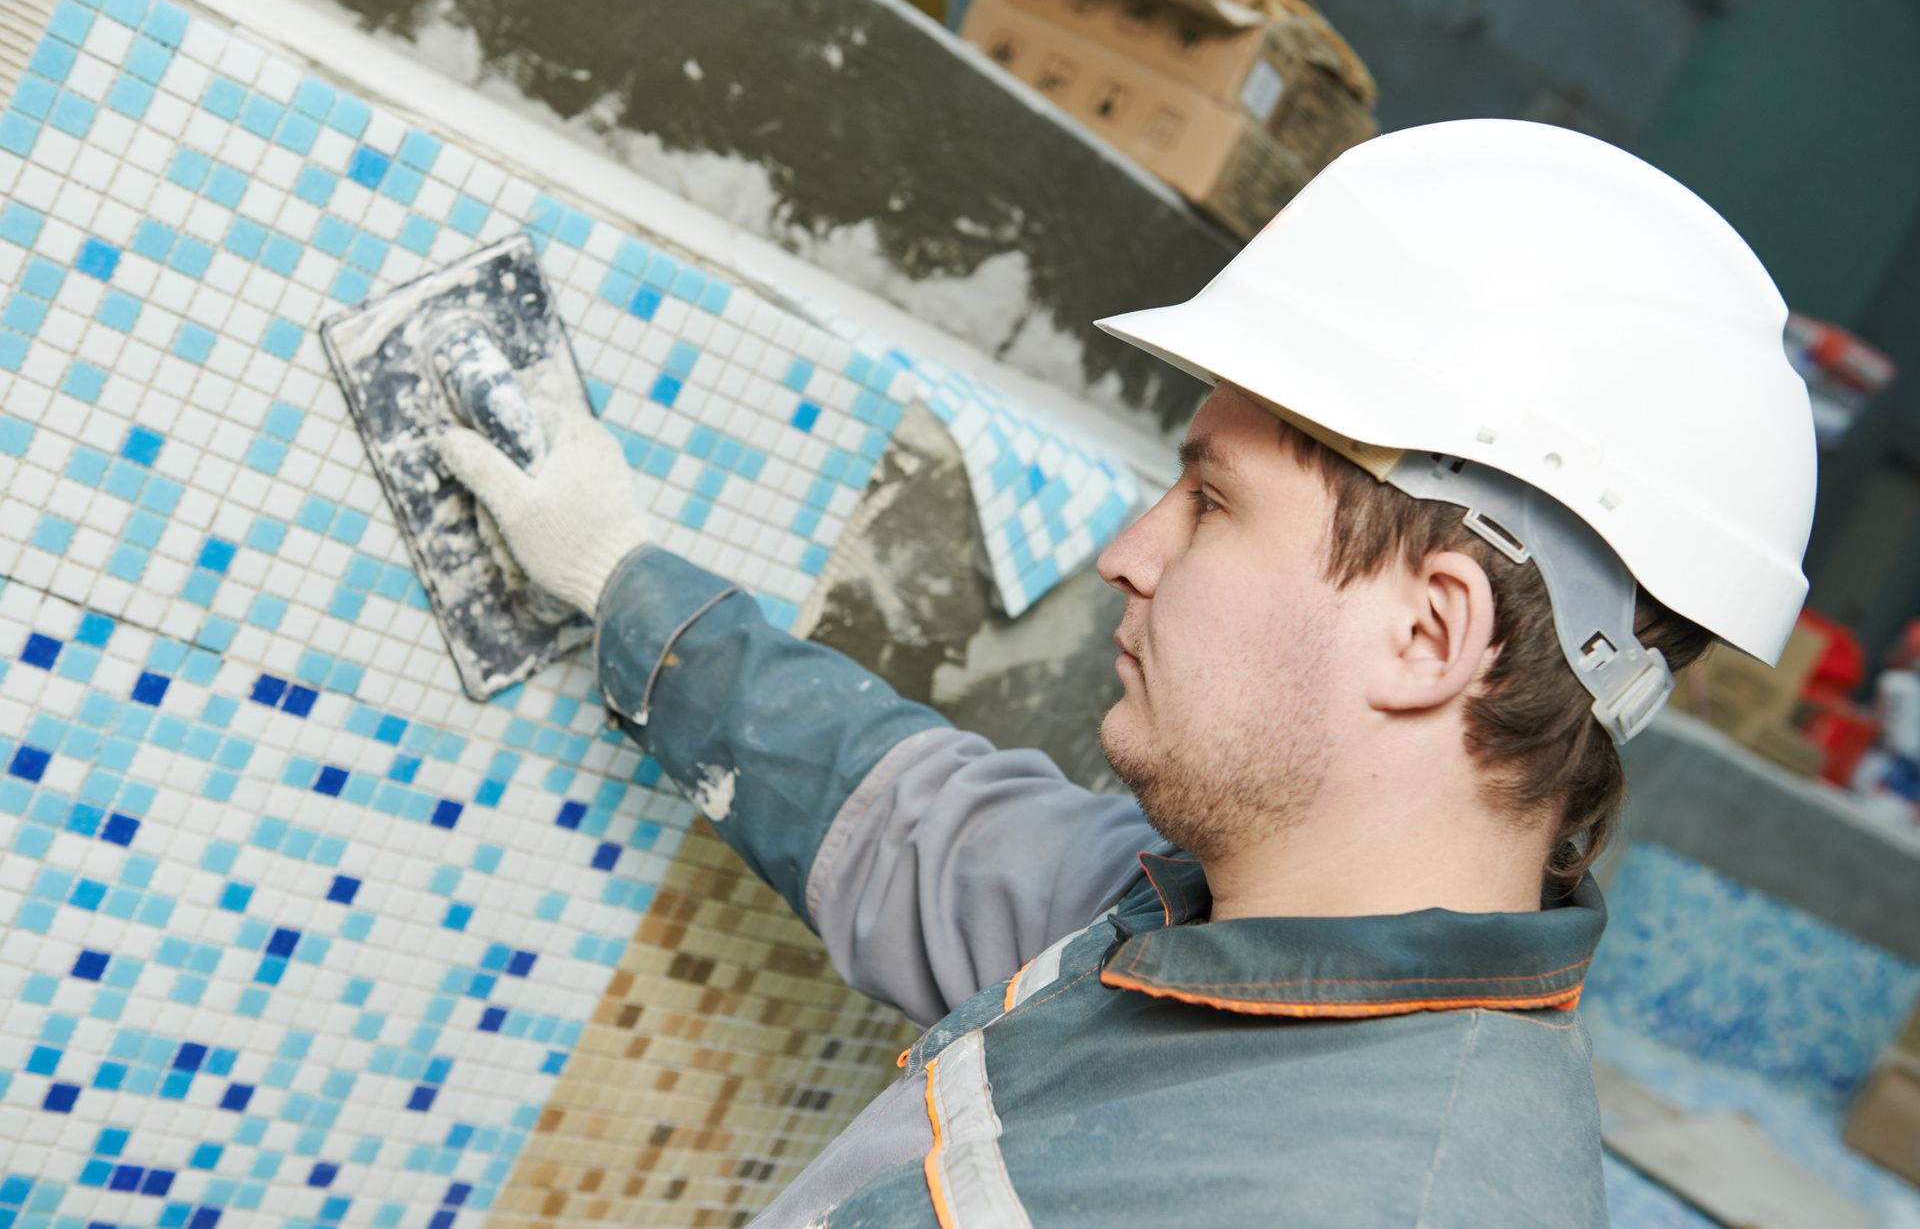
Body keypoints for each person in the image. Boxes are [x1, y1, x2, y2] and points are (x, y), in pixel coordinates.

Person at [437, 118, 1817, 1228]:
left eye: (1209, 503)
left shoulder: (1368, 1194)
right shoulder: (1201, 922)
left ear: (1428, 635)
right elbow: (907, 815)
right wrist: (620, 574)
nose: (1125, 553)